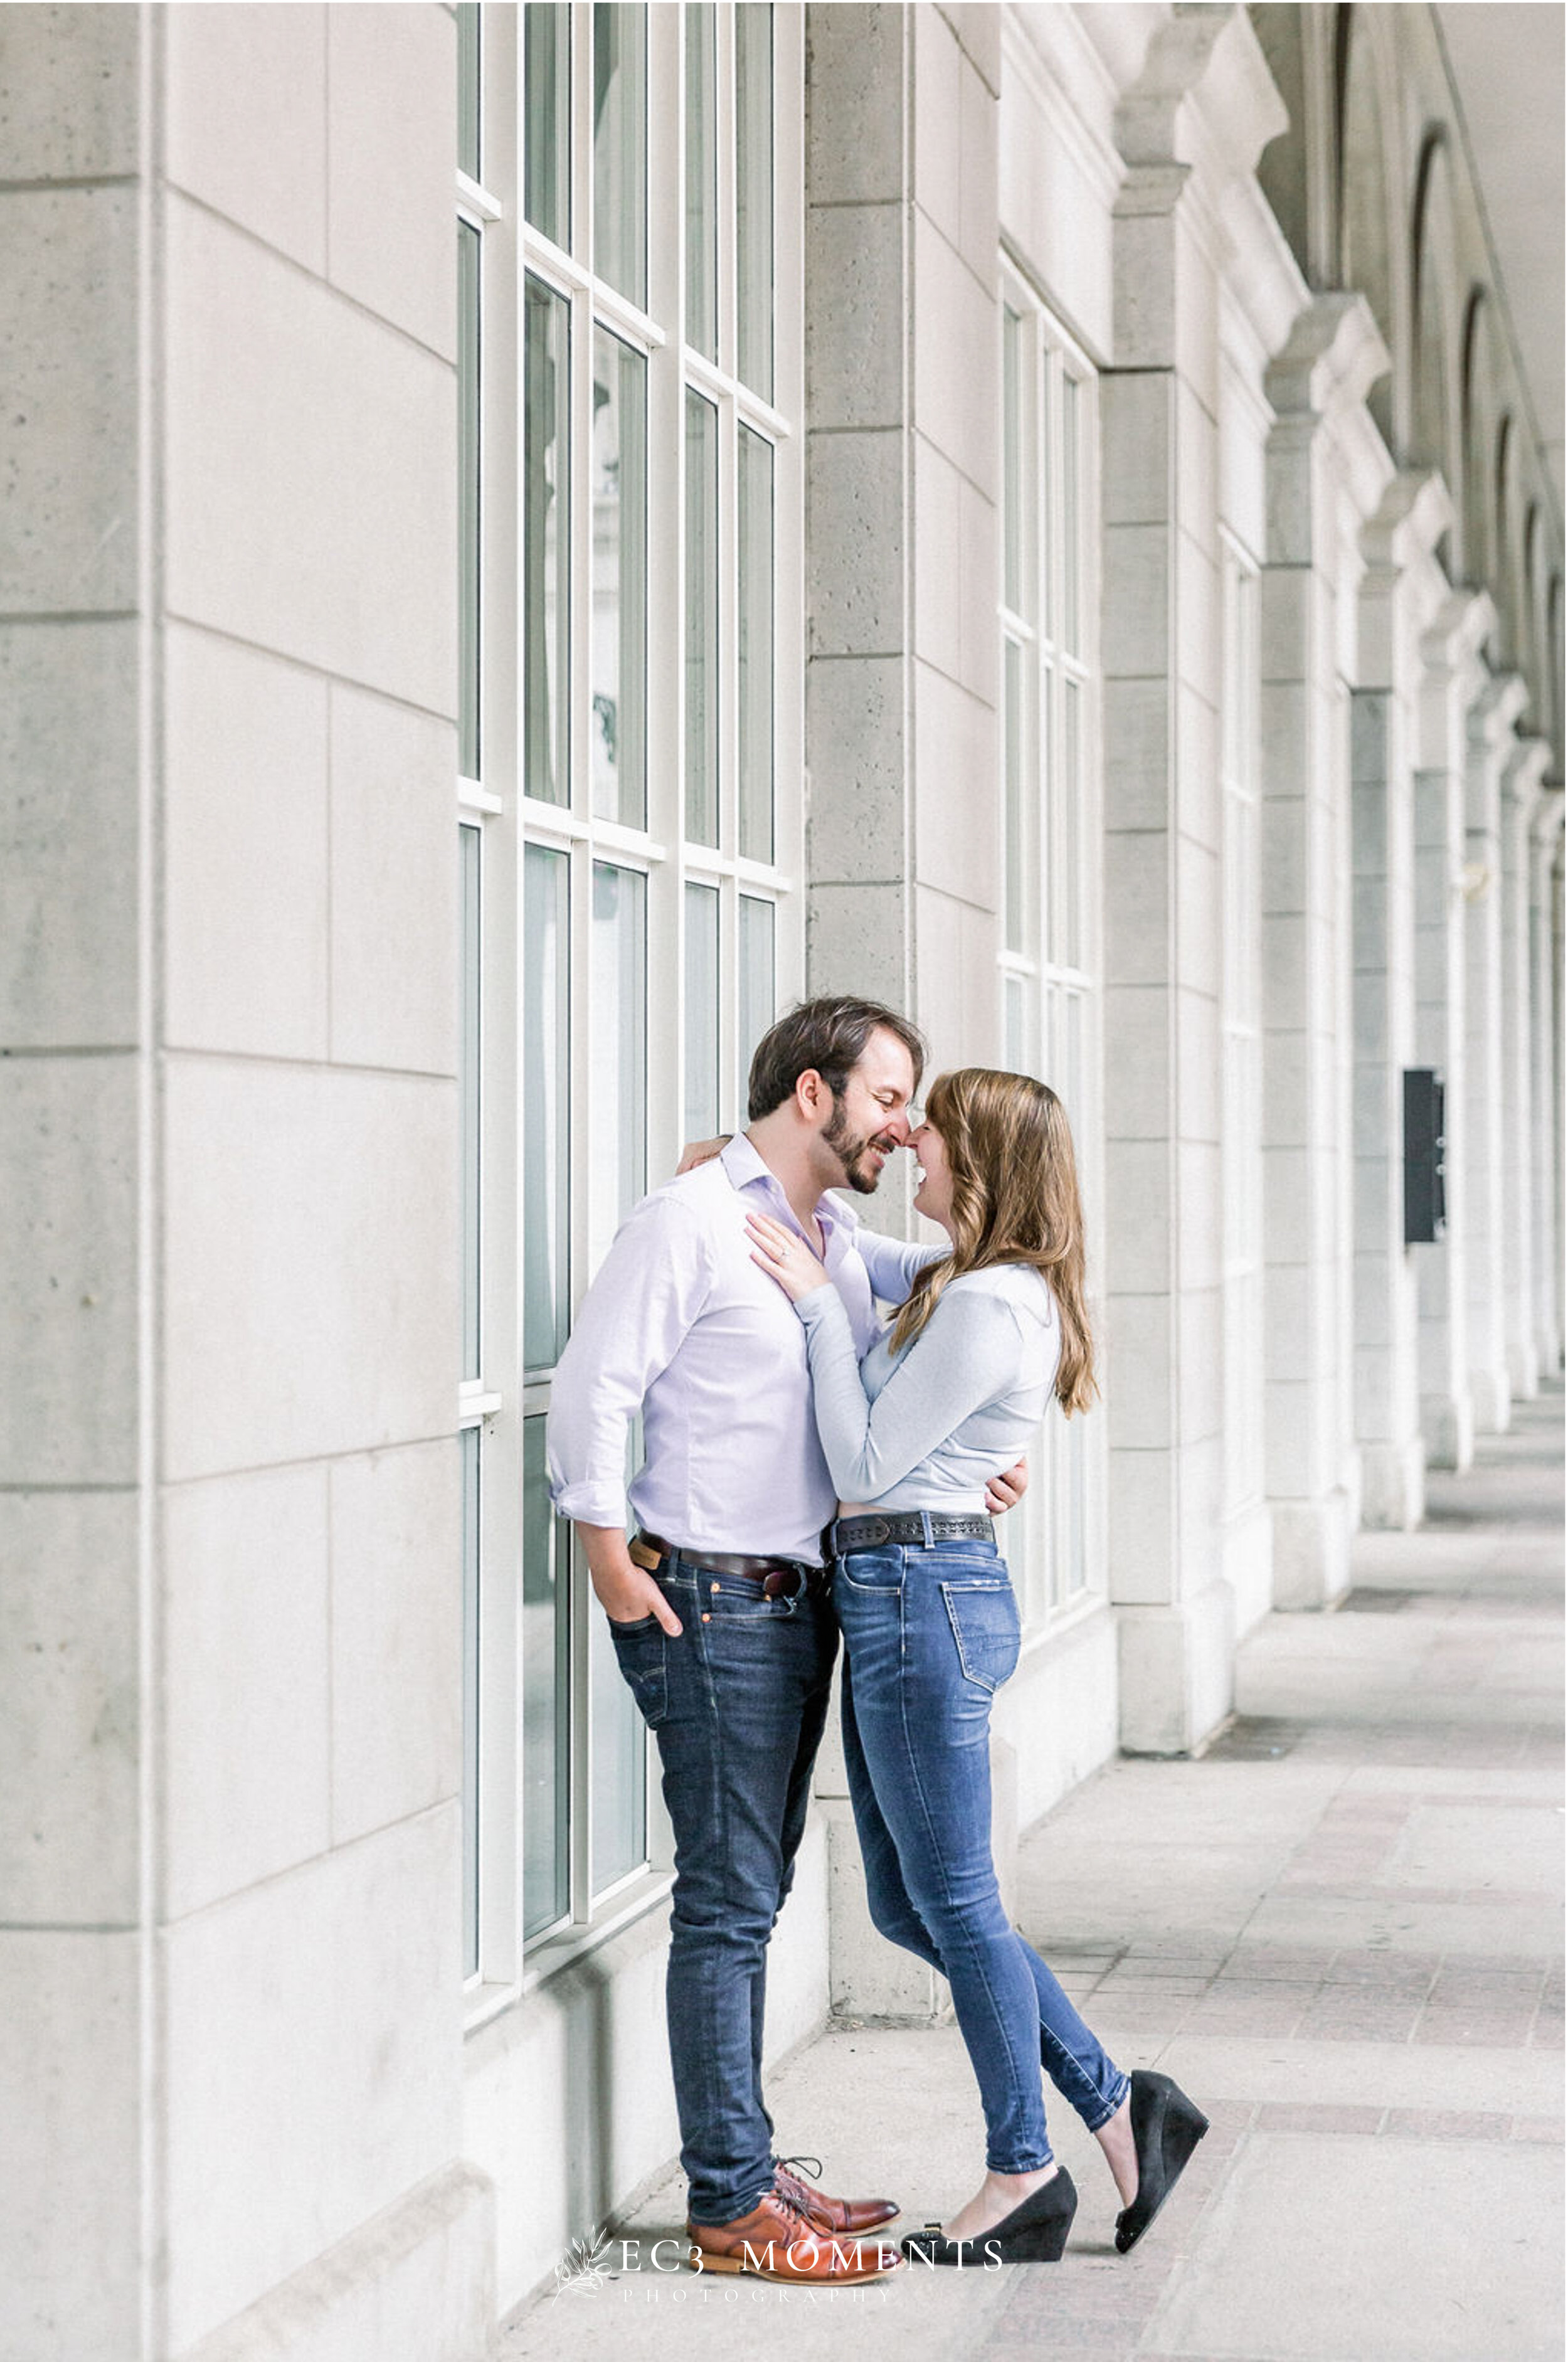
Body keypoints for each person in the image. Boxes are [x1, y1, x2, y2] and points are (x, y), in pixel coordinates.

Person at [545, 998, 1026, 2286]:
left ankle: (748, 2164)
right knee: (727, 1900)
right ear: (811, 1095)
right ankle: (727, 2204)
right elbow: (599, 1384)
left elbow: (960, 1304)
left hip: (795, 1599)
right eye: (886, 1098)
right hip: (708, 1599)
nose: (905, 1123)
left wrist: (963, 1461)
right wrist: (604, 1556)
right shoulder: (690, 1219)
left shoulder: (826, 1231)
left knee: (750, 1895)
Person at [746, 1066, 1209, 2266]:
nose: (914, 1146)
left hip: (920, 1600)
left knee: (954, 1902)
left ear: (986, 1163)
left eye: (933, 1133)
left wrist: (805, 1308)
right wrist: (770, 1182)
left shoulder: (991, 1305)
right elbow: (851, 1250)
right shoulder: (965, 1283)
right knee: (915, 1903)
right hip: (910, 1591)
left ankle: (1024, 2166)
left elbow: (857, 1459)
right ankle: (1118, 2106)